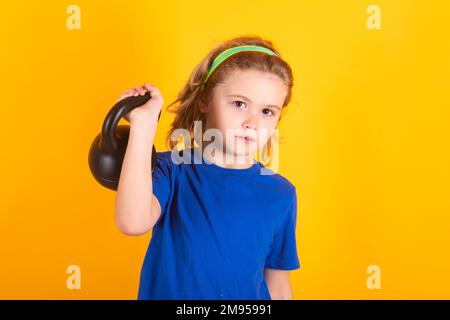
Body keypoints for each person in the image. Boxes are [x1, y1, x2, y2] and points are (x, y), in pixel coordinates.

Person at [114, 35, 301, 300]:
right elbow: (131, 222)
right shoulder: (172, 170)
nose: (252, 122)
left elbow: (279, 286)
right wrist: (143, 126)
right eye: (239, 104)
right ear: (205, 101)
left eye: (267, 111)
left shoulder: (281, 193)